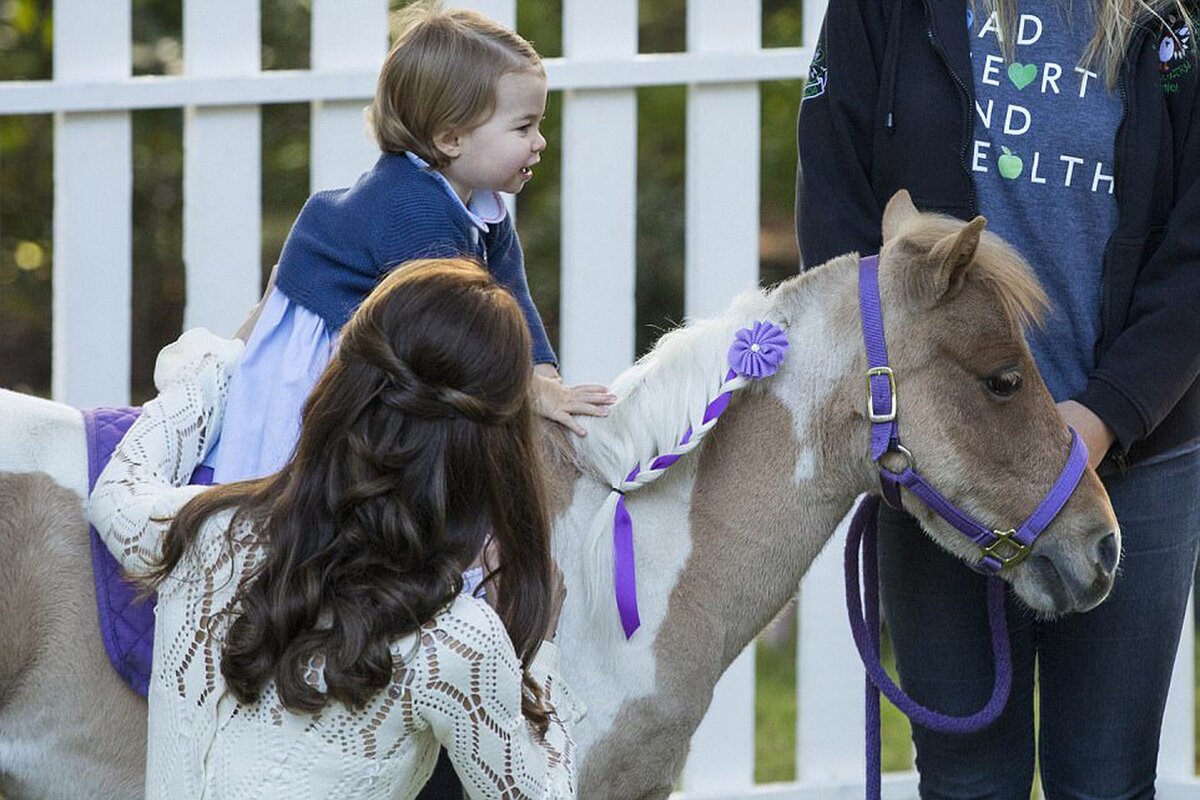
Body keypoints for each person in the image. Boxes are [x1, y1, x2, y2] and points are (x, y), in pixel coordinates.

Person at [796, 0, 1200, 796]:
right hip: (949, 461)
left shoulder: (1175, 15)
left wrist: (1104, 416)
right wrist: (895, 403)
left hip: (1136, 449)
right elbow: (838, 197)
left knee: (1107, 783)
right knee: (966, 781)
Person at [89, 259, 582, 799]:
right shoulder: (456, 642)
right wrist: (538, 659)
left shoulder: (207, 534)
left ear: (339, 384)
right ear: (495, 450)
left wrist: (229, 360)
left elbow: (118, 492)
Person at [207, 0, 613, 488]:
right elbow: (452, 333)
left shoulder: (482, 204)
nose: (539, 141)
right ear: (450, 138)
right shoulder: (411, 205)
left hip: (398, 340)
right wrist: (530, 396)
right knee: (320, 469)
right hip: (333, 344)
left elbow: (513, 296)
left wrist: (547, 383)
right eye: (523, 127)